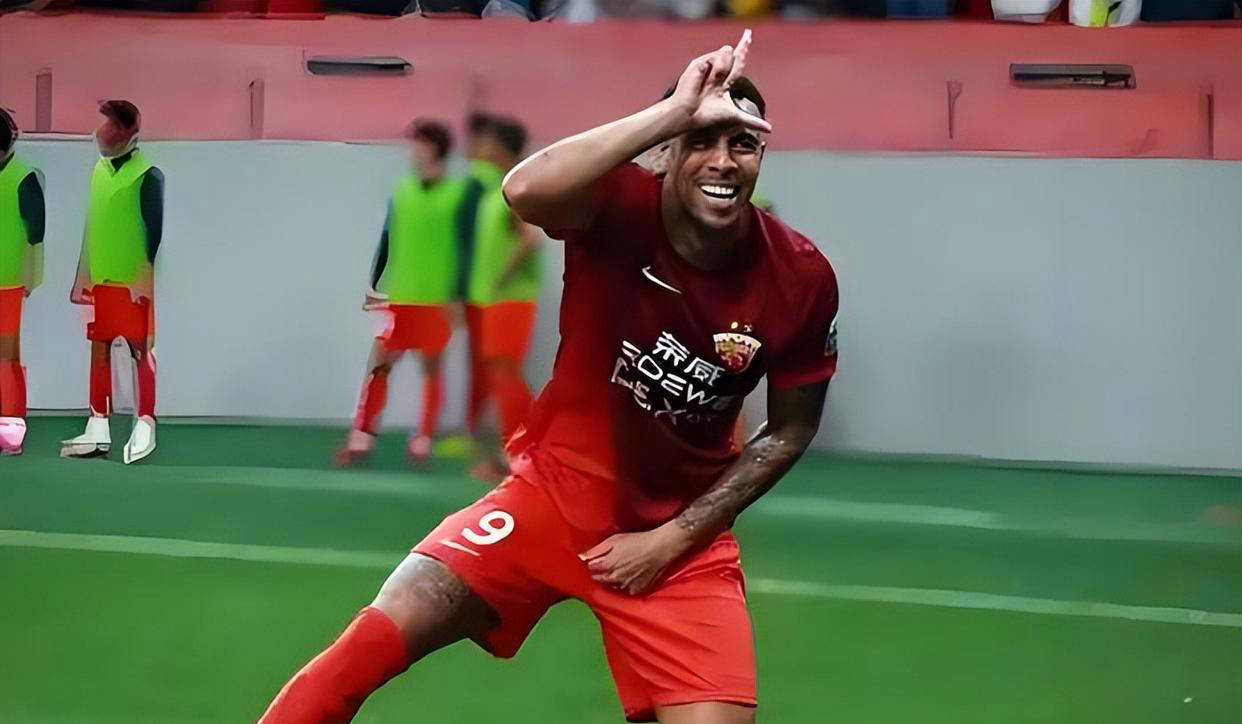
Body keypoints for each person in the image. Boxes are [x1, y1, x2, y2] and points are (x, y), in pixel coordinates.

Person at [259, 29, 840, 724]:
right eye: (700, 139)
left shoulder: (801, 277)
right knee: (375, 637)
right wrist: (672, 110)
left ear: (762, 156)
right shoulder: (615, 203)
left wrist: (674, 539)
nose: (722, 161)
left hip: (680, 541)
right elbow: (525, 189)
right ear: (667, 150)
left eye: (742, 143)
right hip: (551, 495)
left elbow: (791, 429)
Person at [338, 120, 466, 465]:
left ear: (434, 148)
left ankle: (423, 439)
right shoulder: (402, 192)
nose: (411, 151)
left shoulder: (456, 197)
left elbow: (466, 251)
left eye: (417, 144)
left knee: (431, 369)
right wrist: (373, 285)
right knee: (379, 364)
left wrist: (459, 296)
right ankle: (362, 437)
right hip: (399, 298)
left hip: (437, 299)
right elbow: (386, 239)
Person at [60, 100, 164, 464]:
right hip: (101, 281)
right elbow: (93, 225)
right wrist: (83, 278)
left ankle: (145, 423)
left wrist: (143, 279)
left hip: (133, 283)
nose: (100, 132)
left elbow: (154, 235)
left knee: (140, 351)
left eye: (109, 125)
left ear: (126, 132)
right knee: (99, 350)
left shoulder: (147, 175)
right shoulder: (98, 171)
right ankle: (98, 425)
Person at [460, 115, 542, 480]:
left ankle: (521, 452)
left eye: (487, 143)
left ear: (500, 149)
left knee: (505, 374)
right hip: (497, 301)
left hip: (511, 299)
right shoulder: (497, 190)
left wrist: (502, 276)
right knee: (502, 375)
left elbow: (530, 238)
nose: (480, 148)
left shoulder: (514, 189)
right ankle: (521, 450)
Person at [0, 106, 46, 456]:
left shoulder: (23, 179)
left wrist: (31, 278)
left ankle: (10, 430)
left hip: (8, 284)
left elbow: (35, 235)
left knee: (6, 357)